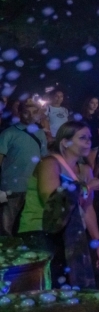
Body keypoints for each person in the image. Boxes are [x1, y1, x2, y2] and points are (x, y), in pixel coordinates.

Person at [18, 121, 99, 287]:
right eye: (82, 138)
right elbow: (51, 200)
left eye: (90, 138)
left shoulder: (85, 170)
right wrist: (87, 187)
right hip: (40, 231)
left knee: (70, 289)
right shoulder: (49, 163)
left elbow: (88, 209)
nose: (88, 142)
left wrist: (98, 243)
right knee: (46, 287)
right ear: (65, 142)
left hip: (69, 235)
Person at [0, 100, 49, 237]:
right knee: (6, 226)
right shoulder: (8, 133)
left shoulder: (40, 133)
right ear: (20, 113)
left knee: (27, 224)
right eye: (27, 112)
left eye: (34, 112)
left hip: (32, 187)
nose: (30, 115)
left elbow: (44, 159)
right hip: (11, 187)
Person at [80, 97, 99, 174]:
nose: (95, 105)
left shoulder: (98, 117)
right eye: (92, 103)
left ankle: (92, 179)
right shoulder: (82, 116)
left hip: (94, 143)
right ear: (88, 103)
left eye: (96, 103)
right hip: (83, 143)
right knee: (88, 164)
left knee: (92, 164)